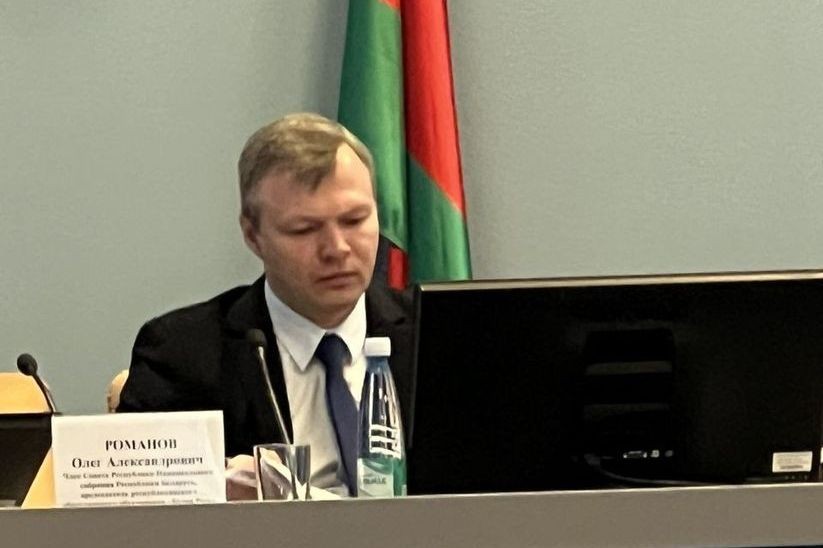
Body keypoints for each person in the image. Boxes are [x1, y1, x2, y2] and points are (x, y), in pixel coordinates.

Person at [117, 113, 414, 498]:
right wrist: (216, 488)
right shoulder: (182, 354)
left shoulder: (438, 334)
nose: (337, 248)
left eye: (355, 220)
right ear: (253, 235)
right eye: (304, 229)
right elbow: (140, 505)